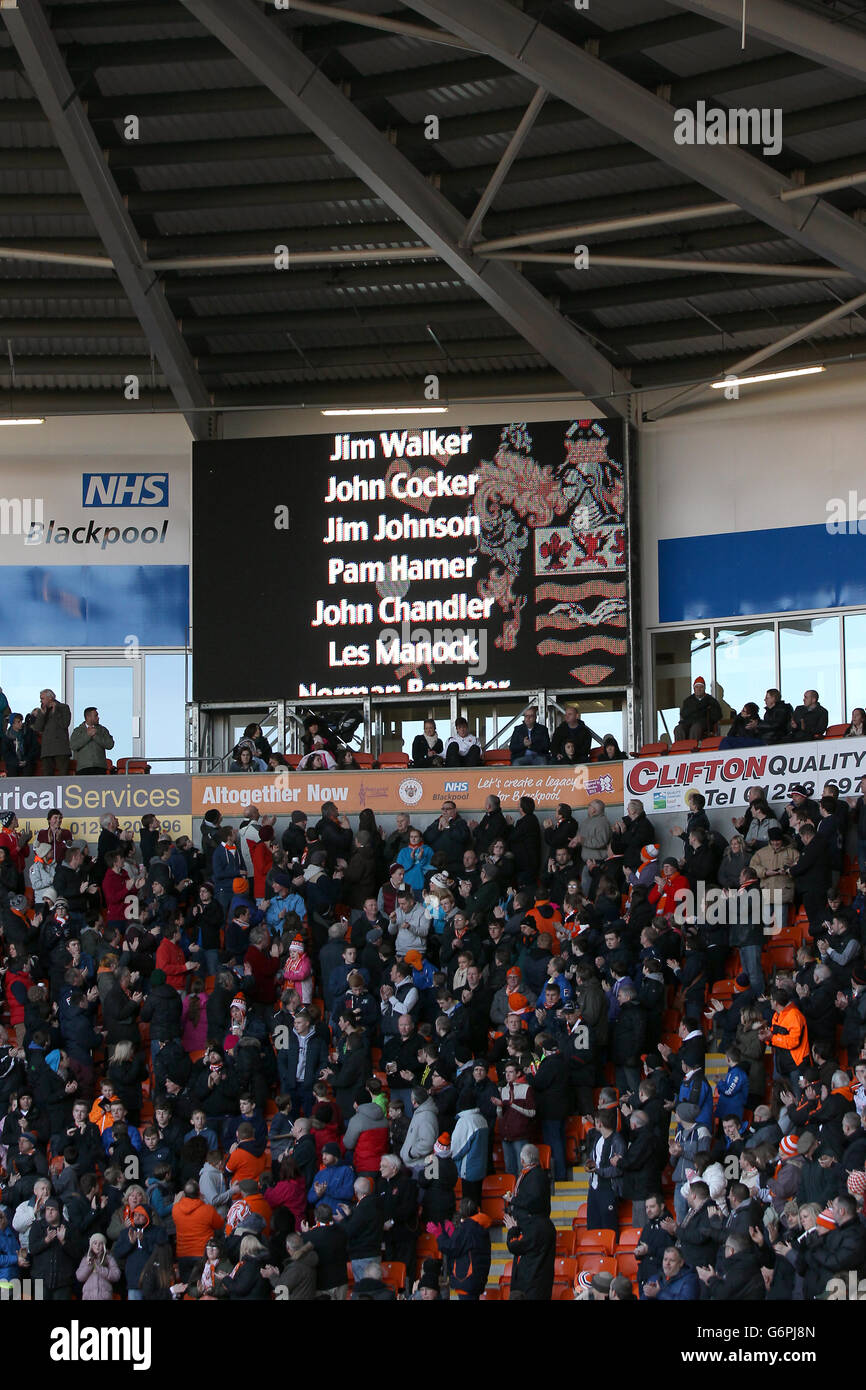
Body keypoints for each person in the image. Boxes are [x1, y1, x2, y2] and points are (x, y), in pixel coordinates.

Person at [31, 689, 71, 774]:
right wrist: (42, 714)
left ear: (50, 698)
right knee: (47, 776)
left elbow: (65, 724)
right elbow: (37, 728)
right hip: (47, 748)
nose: (40, 700)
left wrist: (55, 711)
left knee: (63, 774)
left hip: (61, 748)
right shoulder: (43, 710)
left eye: (42, 698)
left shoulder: (63, 707)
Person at [69, 707, 115, 775]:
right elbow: (73, 746)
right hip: (83, 768)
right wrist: (88, 735)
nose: (98, 717)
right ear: (88, 717)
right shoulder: (78, 731)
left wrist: (95, 736)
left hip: (100, 767)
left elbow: (110, 745)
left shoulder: (102, 730)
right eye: (96, 715)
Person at [674, 677, 722, 742]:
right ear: (694, 688)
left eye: (701, 687)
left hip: (703, 724)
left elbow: (717, 716)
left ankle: (693, 748)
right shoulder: (688, 701)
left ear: (704, 688)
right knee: (678, 729)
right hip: (688, 723)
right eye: (697, 687)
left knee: (695, 728)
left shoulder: (711, 700)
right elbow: (683, 714)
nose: (699, 689)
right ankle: (680, 749)